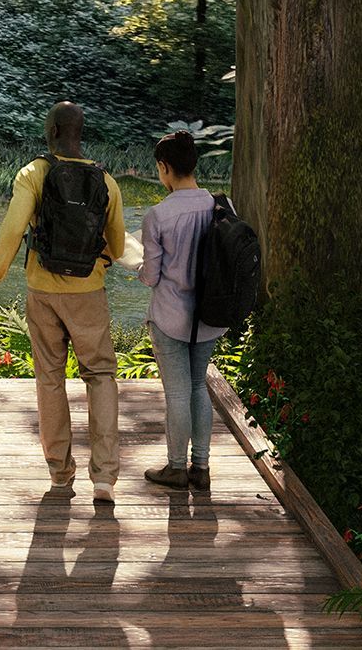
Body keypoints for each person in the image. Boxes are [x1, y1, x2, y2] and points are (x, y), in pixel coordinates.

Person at [0, 102, 127, 505]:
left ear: (55, 131)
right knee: (100, 376)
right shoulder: (106, 181)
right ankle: (105, 478)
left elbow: (12, 229)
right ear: (80, 131)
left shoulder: (34, 173)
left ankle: (61, 473)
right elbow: (118, 246)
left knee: (50, 378)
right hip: (89, 293)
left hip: (43, 293)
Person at [140, 130, 220, 492]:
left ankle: (175, 467)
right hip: (209, 316)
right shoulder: (220, 205)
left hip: (171, 317)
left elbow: (151, 275)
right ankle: (200, 468)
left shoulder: (158, 215)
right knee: (198, 387)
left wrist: (136, 266)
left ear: (164, 167)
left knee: (176, 394)